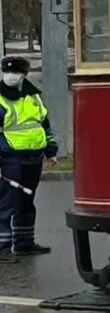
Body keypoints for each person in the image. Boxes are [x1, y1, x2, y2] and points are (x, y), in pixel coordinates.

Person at [0, 57, 58, 257]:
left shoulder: (33, 96)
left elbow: (44, 124)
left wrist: (51, 151)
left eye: (15, 72)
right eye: (7, 72)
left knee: (26, 200)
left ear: (24, 75)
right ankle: (3, 248)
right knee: (6, 202)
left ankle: (24, 242)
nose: (10, 76)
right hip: (9, 157)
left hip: (33, 157)